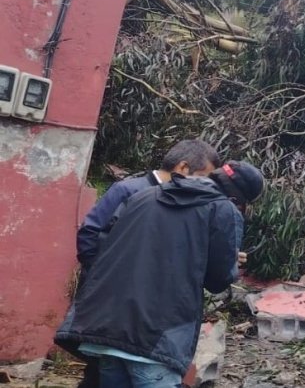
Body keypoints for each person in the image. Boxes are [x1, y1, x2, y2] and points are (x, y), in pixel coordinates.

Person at [55, 160, 265, 388]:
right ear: (238, 200)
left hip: (107, 330)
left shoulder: (145, 196)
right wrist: (230, 261)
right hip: (155, 339)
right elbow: (218, 280)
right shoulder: (223, 210)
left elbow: (102, 245)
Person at [76, 140, 221, 273]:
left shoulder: (187, 204)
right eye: (201, 178)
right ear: (183, 167)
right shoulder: (128, 190)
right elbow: (90, 232)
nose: (204, 186)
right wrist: (99, 274)